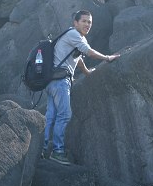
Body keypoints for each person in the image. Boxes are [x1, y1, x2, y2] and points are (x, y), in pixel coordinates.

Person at [42, 10, 120, 165]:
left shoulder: (74, 37)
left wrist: (85, 72)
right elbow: (88, 53)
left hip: (51, 81)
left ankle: (44, 149)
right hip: (60, 82)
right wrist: (107, 58)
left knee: (51, 117)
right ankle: (57, 152)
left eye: (90, 22)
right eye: (84, 21)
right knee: (64, 115)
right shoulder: (74, 35)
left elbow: (77, 58)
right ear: (75, 22)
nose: (87, 24)